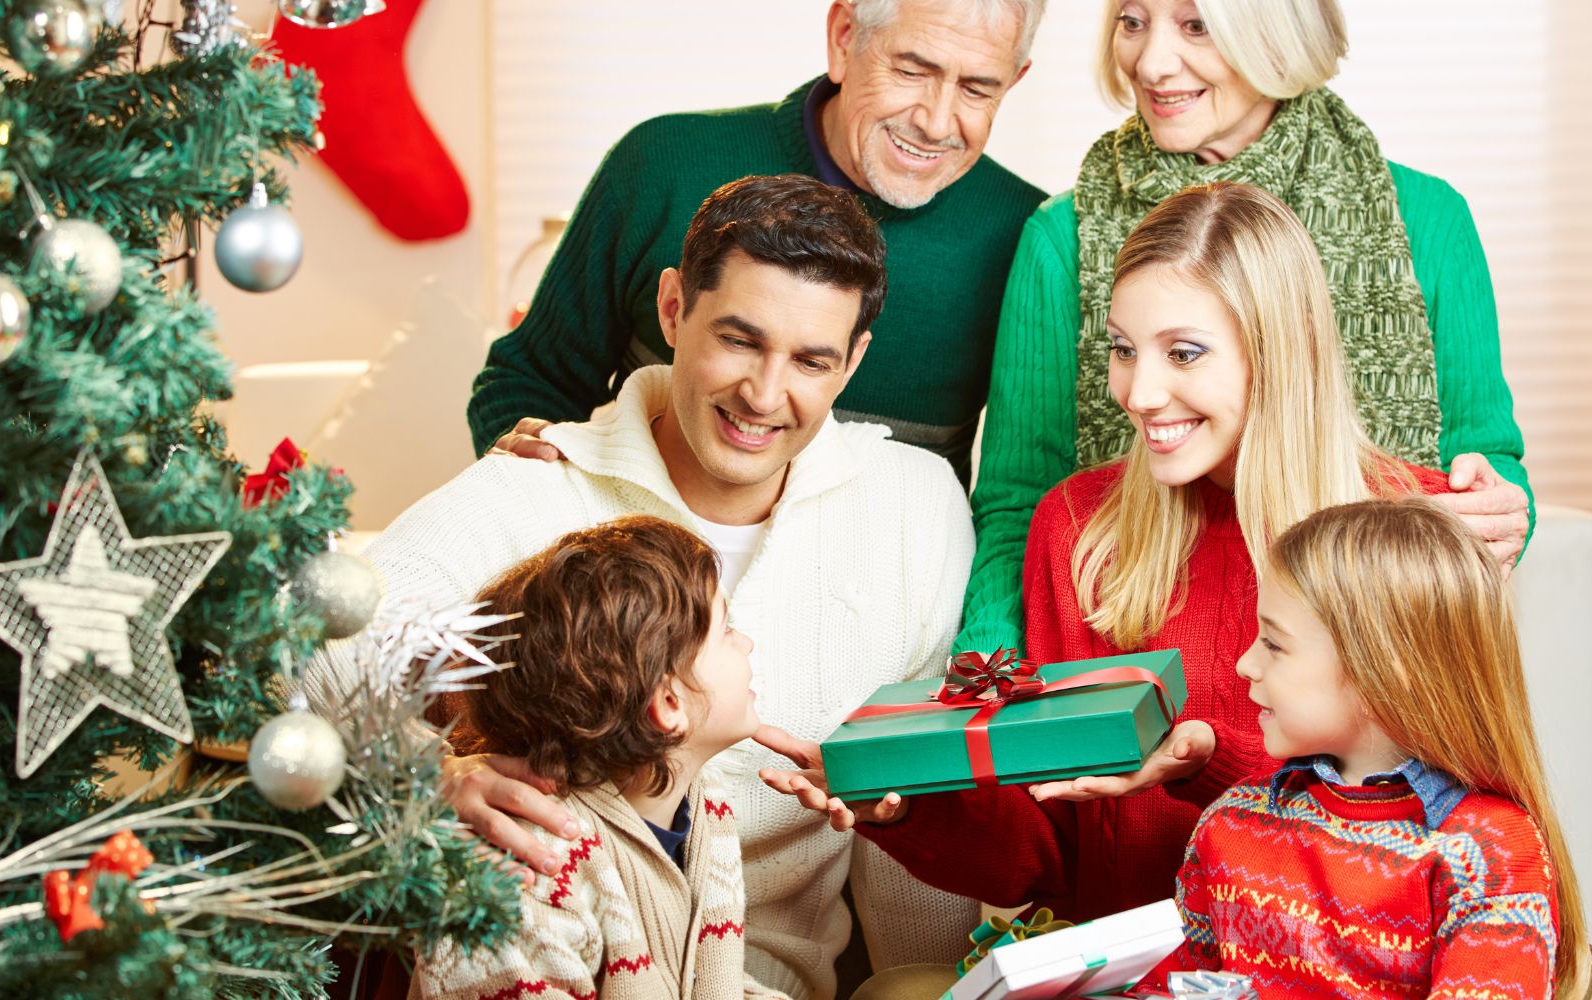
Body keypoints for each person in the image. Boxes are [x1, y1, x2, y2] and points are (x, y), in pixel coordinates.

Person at [308, 175, 978, 1000]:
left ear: (856, 359)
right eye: (738, 340)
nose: (765, 396)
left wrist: (942, 982)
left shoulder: (914, 504)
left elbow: (912, 821)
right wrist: (425, 775)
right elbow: (319, 638)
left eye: (811, 360)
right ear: (672, 311)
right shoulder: (538, 484)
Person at [760, 183, 1470, 928]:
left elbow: (1443, 833)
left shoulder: (1410, 530)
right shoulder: (1076, 528)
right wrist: (904, 805)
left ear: (1280, 348)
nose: (1139, 392)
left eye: (1184, 353)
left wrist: (1206, 760)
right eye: (1123, 350)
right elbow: (1049, 854)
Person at [959, 0, 1532, 658]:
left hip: (1370, 653)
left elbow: (1485, 457)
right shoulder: (1062, 238)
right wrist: (992, 682)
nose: (1152, 61)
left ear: (1276, 26)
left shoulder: (1424, 220)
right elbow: (1018, 501)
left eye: (1197, 23)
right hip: (1138, 645)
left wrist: (1500, 508)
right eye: (1131, 21)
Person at [474, 0, 1050, 486]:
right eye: (910, 69)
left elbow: (1019, 491)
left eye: (977, 88)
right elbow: (526, 383)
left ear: (1016, 80)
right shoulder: (663, 164)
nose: (934, 121)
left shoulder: (1030, 238)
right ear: (846, 37)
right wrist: (549, 508)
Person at [1128, 496, 1592, 999]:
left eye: (1274, 644)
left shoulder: (1491, 854)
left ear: (1384, 670)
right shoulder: (1230, 823)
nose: (1245, 664)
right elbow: (1165, 986)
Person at [411, 517, 789, 1000]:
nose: (747, 642)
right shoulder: (531, 867)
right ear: (669, 703)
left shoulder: (703, 803)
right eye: (726, 629)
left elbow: (712, 983)